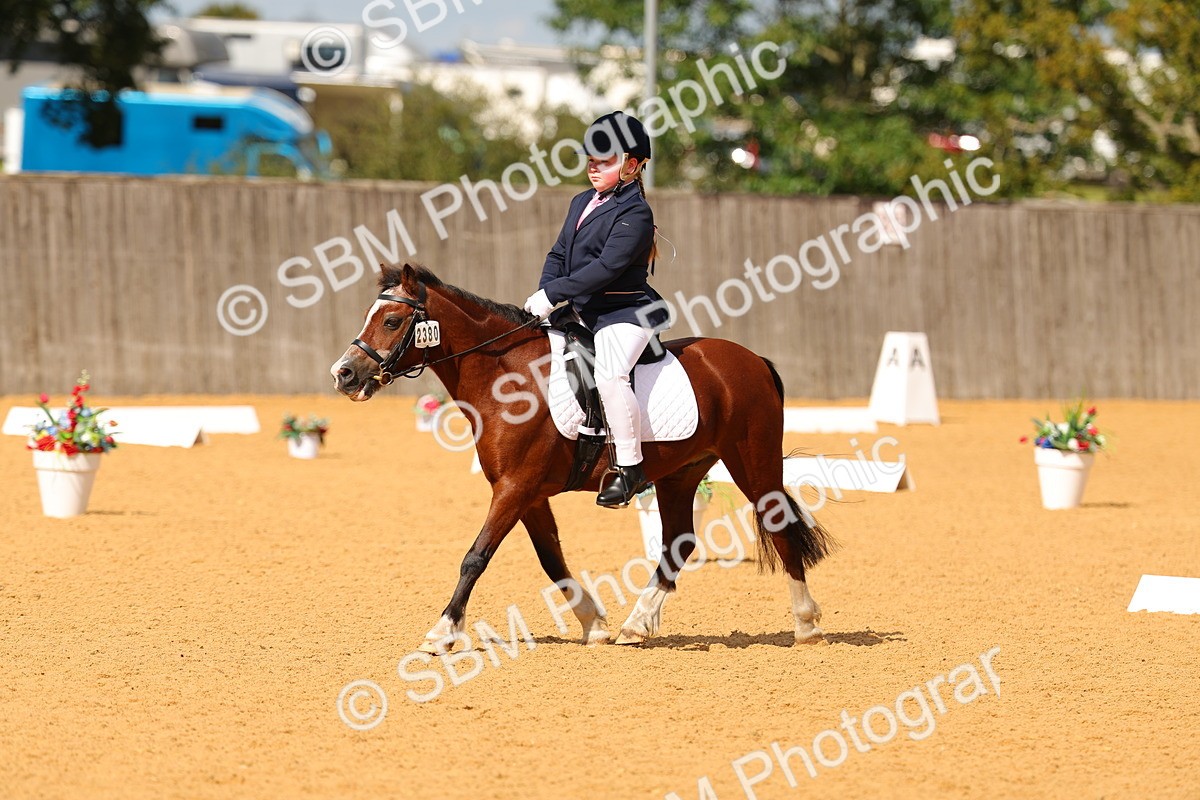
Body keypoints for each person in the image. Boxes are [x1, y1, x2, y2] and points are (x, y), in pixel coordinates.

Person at [523, 111, 667, 508]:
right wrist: (544, 293)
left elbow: (606, 269)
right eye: (591, 158)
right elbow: (559, 253)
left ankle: (631, 468)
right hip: (583, 309)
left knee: (610, 374)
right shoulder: (580, 201)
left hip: (625, 313)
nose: (593, 166)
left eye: (604, 160)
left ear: (631, 165)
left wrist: (555, 294)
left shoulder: (636, 213)